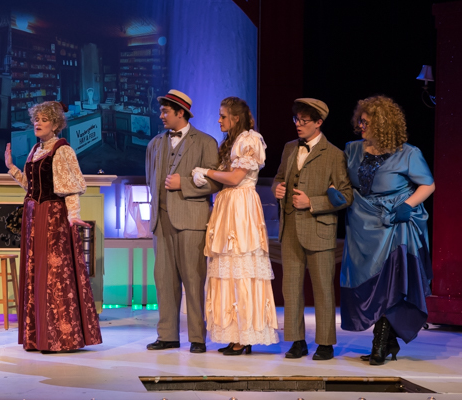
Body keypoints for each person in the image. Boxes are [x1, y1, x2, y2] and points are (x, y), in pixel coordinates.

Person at [338, 95, 435, 365]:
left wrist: (407, 205)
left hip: (394, 225)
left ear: (382, 124)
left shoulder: (408, 153)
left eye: (366, 122)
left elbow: (428, 184)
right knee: (364, 282)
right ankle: (388, 341)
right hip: (361, 224)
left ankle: (380, 343)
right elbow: (344, 183)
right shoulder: (352, 149)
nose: (360, 126)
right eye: (360, 120)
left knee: (391, 283)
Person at [5, 101, 102, 353]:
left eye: (44, 119)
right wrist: (12, 168)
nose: (37, 123)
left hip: (52, 217)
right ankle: (38, 336)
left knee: (54, 276)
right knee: (35, 272)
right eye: (36, 119)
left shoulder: (63, 150)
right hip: (33, 216)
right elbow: (32, 186)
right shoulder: (35, 150)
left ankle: (59, 337)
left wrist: (73, 216)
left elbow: (69, 189)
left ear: (56, 124)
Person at [192, 97, 279, 355]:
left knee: (242, 266)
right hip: (228, 204)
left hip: (241, 207)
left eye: (222, 115)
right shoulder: (231, 142)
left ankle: (245, 335)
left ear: (236, 117)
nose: (218, 120)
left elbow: (236, 177)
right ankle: (234, 334)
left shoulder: (250, 140)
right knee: (228, 269)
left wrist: (206, 172)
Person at [271, 98, 353, 361]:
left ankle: (326, 343)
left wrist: (313, 202)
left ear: (319, 123)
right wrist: (277, 189)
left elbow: (346, 195)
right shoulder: (288, 149)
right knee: (291, 288)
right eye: (296, 120)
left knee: (322, 289)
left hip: (319, 230)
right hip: (291, 228)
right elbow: (278, 178)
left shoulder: (335, 155)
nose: (298, 125)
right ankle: (296, 341)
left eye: (304, 121)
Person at [145, 89, 222, 353]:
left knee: (193, 279)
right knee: (164, 279)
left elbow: (215, 181)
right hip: (161, 221)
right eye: (161, 110)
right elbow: (150, 179)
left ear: (181, 113)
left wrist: (184, 184)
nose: (161, 115)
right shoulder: (155, 143)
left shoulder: (205, 142)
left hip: (191, 220)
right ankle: (167, 334)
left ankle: (197, 337)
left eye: (166, 111)